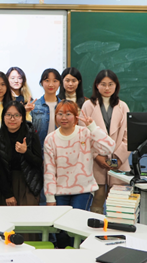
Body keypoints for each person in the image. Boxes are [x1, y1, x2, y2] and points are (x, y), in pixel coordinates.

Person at [44, 100, 115, 211]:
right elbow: (49, 170)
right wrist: (50, 198)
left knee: (77, 220)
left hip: (83, 190)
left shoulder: (86, 133)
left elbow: (109, 147)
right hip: (60, 192)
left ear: (76, 116)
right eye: (60, 114)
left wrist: (93, 127)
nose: (64, 118)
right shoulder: (50, 139)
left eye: (68, 114)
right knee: (62, 222)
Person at [79, 70, 130, 214]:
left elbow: (128, 136)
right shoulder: (88, 105)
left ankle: (115, 227)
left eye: (110, 84)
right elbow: (83, 135)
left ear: (116, 86)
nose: (107, 88)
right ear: (97, 85)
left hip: (118, 161)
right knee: (98, 197)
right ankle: (96, 226)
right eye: (103, 84)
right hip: (96, 162)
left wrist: (118, 159)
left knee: (117, 201)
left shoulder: (123, 106)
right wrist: (97, 157)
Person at [0, 101, 43, 206]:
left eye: (17, 115)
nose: (12, 119)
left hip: (28, 183)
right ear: (3, 117)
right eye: (8, 115)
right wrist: (8, 194)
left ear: (22, 118)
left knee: (28, 214)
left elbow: (39, 162)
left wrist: (26, 152)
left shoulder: (31, 134)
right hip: (5, 184)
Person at [30, 68, 62, 148]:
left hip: (60, 149)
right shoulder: (34, 105)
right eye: (47, 80)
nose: (51, 84)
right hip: (38, 149)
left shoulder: (63, 106)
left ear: (59, 83)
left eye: (55, 81)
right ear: (41, 83)